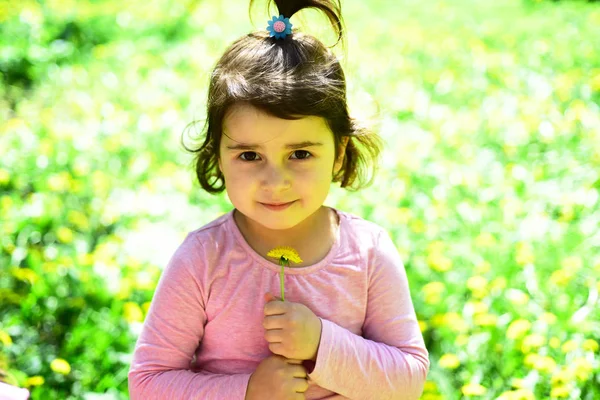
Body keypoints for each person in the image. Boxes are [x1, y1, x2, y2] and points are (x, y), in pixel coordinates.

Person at [128, 0, 430, 398]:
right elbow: (149, 383)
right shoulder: (203, 259)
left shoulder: (367, 252)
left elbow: (407, 380)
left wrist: (321, 343)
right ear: (217, 154)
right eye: (250, 156)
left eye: (300, 154)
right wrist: (249, 391)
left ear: (338, 153)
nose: (276, 181)